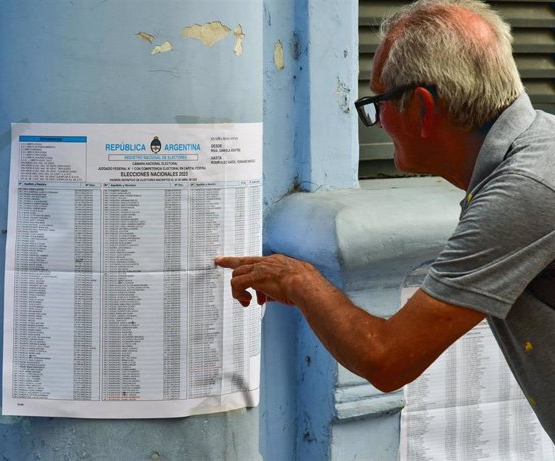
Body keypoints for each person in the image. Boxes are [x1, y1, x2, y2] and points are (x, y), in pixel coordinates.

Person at [216, 0, 555, 442]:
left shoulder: (523, 189)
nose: (375, 122)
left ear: (421, 108)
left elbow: (387, 358)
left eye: (377, 101)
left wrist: (300, 281)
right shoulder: (536, 149)